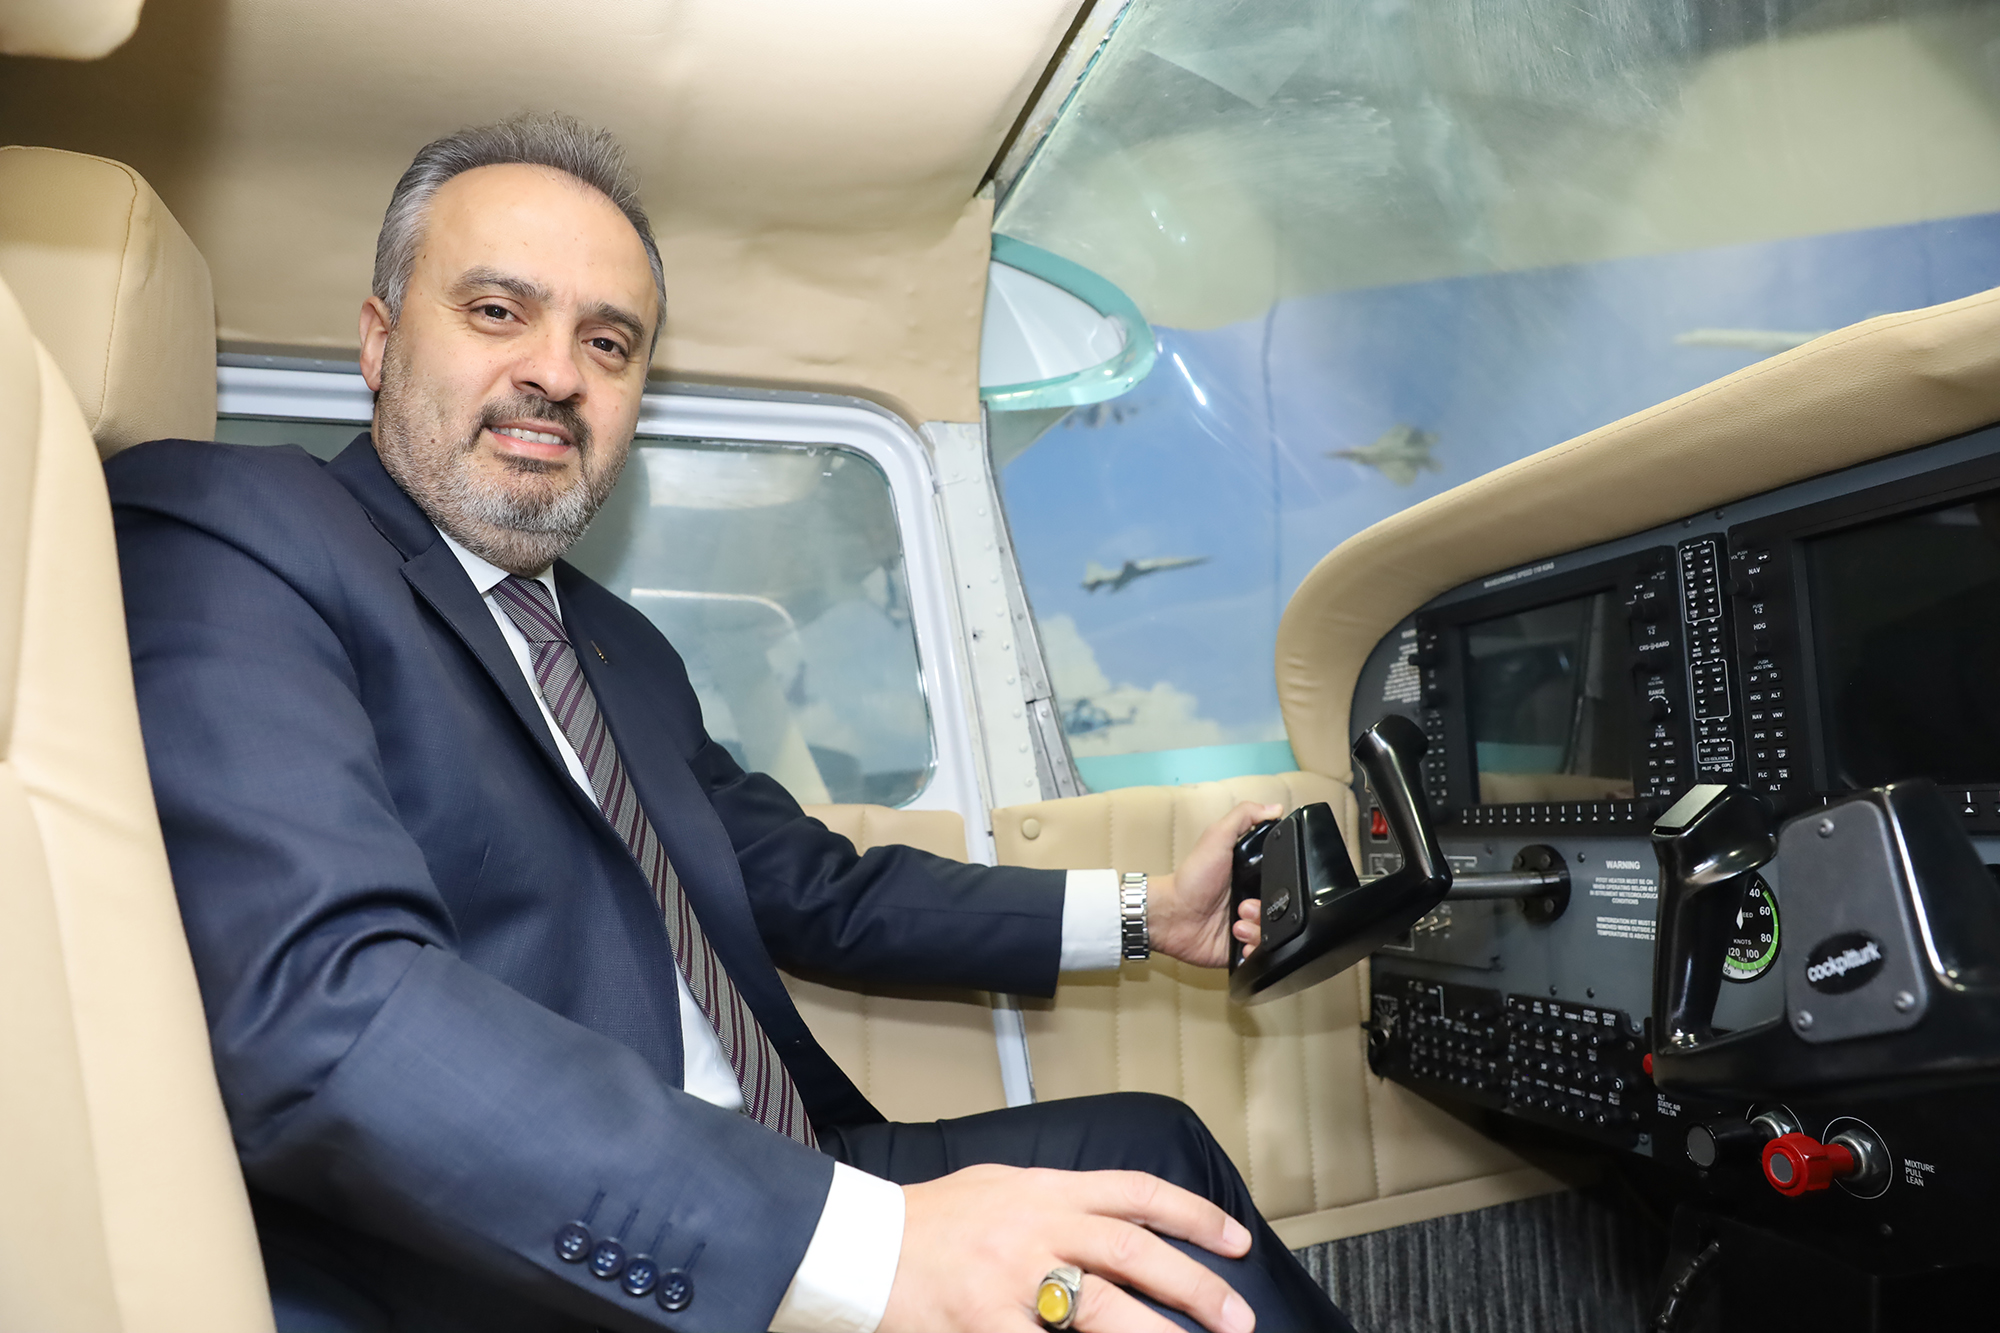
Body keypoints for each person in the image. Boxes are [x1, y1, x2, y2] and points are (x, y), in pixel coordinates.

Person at [107, 113, 1353, 1333]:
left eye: (608, 342)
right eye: (496, 311)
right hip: (554, 1251)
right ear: (380, 341)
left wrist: (1146, 914)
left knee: (1154, 1154)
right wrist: (870, 1253)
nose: (556, 372)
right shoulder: (243, 531)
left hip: (794, 1158)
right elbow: (327, 1011)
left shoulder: (617, 648)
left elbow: (819, 890)